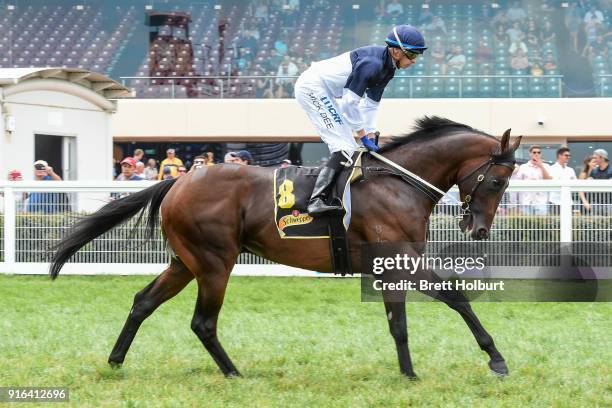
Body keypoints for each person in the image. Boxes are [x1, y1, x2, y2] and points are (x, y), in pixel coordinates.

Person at [294, 24, 426, 214]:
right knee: (345, 148)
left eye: (417, 56)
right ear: (396, 51)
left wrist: (371, 135)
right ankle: (316, 199)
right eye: (412, 55)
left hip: (325, 91)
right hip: (312, 88)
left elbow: (371, 105)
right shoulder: (372, 64)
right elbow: (349, 104)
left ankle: (330, 195)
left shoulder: (388, 68)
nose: (414, 61)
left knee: (350, 148)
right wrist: (363, 134)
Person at [514, 145, 552, 215]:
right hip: (526, 201)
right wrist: (517, 204)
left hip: (541, 201)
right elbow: (517, 184)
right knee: (527, 224)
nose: (536, 154)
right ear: (530, 154)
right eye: (534, 152)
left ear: (541, 154)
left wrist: (541, 166)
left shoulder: (546, 166)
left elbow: (549, 180)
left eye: (538, 152)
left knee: (542, 224)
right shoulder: (524, 167)